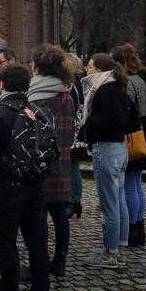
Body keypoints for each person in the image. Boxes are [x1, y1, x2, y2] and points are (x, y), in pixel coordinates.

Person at [0, 65, 51, 291]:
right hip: (36, 184)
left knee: (6, 240)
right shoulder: (38, 111)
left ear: (2, 85)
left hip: (6, 185)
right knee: (36, 239)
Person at [78, 53, 140, 269]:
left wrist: (90, 124)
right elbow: (130, 120)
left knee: (109, 204)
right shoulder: (119, 87)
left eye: (90, 66)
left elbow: (115, 120)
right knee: (119, 200)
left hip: (106, 148)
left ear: (99, 70)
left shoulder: (104, 90)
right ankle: (119, 247)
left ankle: (110, 252)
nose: (87, 70)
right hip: (119, 148)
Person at [27, 44, 75, 278]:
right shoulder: (67, 96)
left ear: (37, 68)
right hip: (62, 162)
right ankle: (60, 261)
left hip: (40, 164)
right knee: (60, 215)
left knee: (39, 217)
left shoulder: (34, 99)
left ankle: (41, 263)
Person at [112, 44, 146, 247]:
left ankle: (133, 227)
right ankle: (139, 225)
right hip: (142, 133)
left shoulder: (127, 83)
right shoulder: (140, 80)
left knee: (129, 185)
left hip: (131, 135)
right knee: (136, 184)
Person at [63, 53, 87, 219]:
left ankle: (74, 201)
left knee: (71, 166)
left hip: (72, 131)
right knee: (73, 166)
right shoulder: (78, 84)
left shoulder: (72, 86)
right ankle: (74, 201)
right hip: (77, 130)